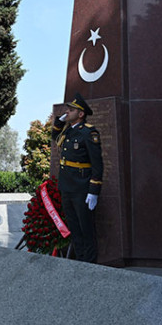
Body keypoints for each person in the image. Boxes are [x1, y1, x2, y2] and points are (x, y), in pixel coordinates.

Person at [52, 94, 103, 263]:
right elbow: (55, 137)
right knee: (74, 227)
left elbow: (97, 164)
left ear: (80, 114)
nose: (67, 111)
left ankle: (90, 263)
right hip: (67, 187)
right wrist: (60, 121)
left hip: (81, 188)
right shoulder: (68, 131)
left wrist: (94, 191)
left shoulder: (89, 132)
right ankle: (80, 261)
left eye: (71, 110)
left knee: (86, 228)